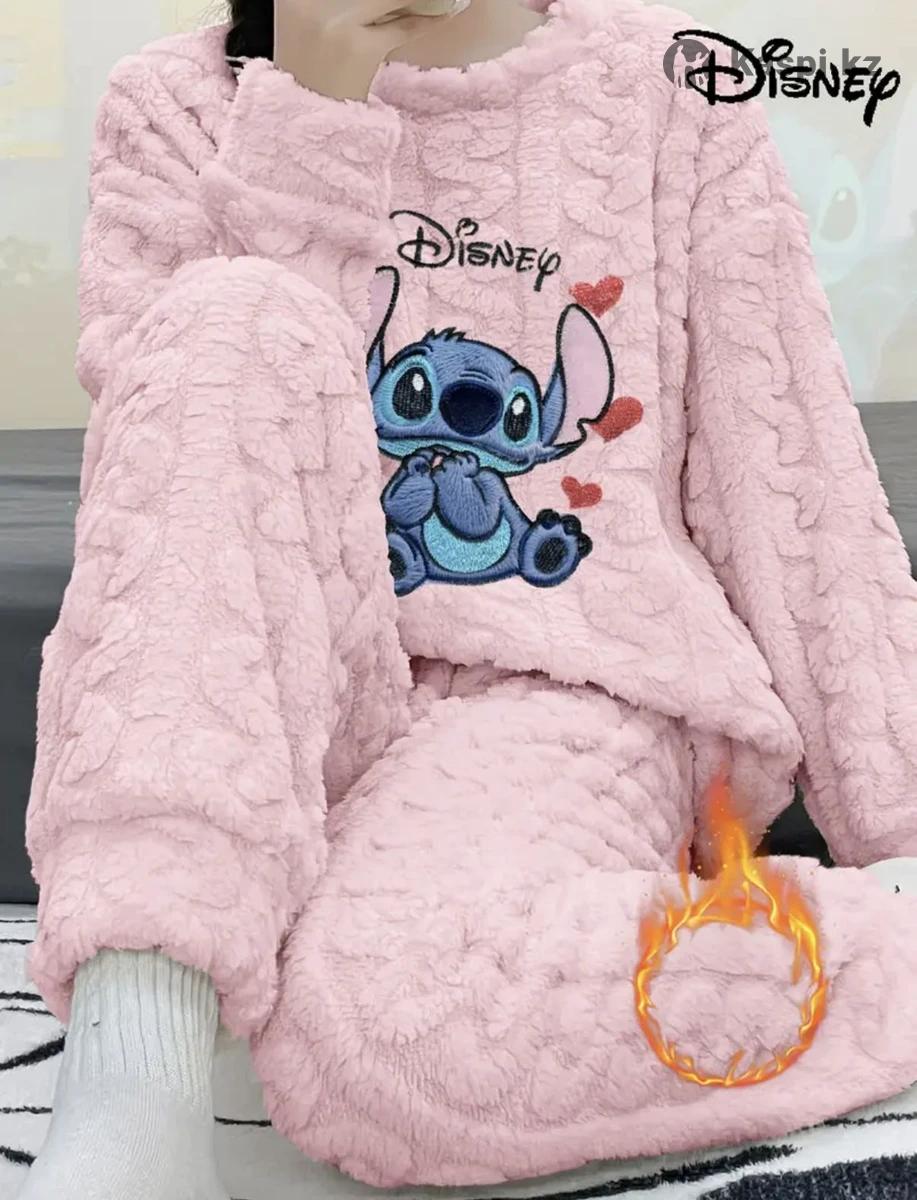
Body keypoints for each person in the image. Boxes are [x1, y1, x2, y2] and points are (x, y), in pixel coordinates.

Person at [17, 0, 917, 1197]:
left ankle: (881, 952)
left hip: (553, 697)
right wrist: (312, 112)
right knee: (225, 322)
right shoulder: (172, 105)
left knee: (383, 1029)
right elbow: (176, 494)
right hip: (259, 685)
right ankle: (132, 1087)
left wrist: (900, 825)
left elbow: (792, 477)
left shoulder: (670, 85)